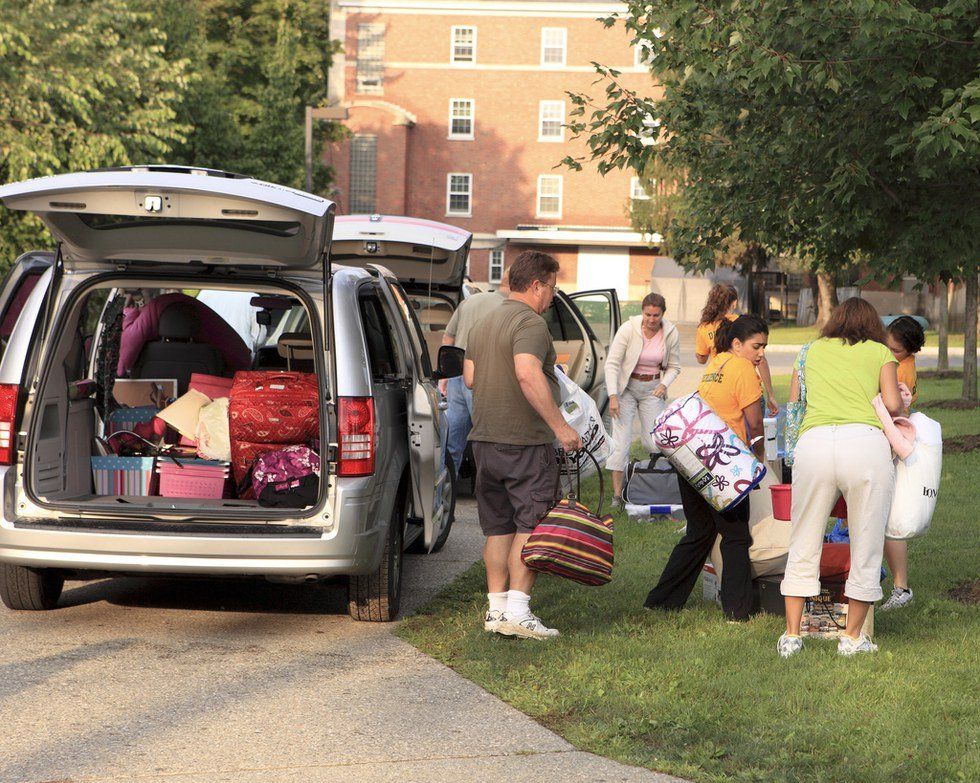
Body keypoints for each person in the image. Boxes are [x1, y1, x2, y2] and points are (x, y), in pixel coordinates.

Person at [463, 250, 582, 640]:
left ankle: (495, 611)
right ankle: (518, 610)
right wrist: (560, 427)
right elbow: (527, 372)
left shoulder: (483, 320)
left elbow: (469, 379)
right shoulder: (530, 323)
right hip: (523, 442)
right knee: (531, 524)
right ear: (536, 285)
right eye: (552, 287)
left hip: (484, 438)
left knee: (498, 527)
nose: (552, 295)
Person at [778, 298, 902, 658]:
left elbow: (797, 399)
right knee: (866, 541)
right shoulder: (880, 352)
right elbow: (893, 405)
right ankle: (852, 638)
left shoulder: (810, 350)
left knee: (804, 537)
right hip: (864, 444)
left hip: (814, 443)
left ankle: (791, 635)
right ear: (872, 324)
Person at [644, 315, 769, 622]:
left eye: (765, 347)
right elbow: (754, 425)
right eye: (757, 346)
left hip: (689, 459)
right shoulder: (744, 369)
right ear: (738, 343)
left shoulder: (717, 363)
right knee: (736, 536)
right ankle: (738, 611)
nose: (761, 353)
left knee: (700, 532)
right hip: (721, 464)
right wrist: (758, 462)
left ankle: (661, 602)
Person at [604, 292, 681, 506]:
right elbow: (612, 364)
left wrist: (664, 384)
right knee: (621, 442)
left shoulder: (671, 333)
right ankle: (617, 496)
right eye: (648, 314)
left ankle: (658, 485)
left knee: (654, 441)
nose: (652, 319)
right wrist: (613, 395)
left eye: (656, 315)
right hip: (626, 388)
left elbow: (675, 366)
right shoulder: (628, 330)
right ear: (642, 312)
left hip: (652, 389)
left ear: (662, 314)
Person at [880, 315, 926, 612]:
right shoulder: (897, 363)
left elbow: (890, 404)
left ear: (909, 351)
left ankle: (900, 587)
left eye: (895, 350)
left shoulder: (902, 370)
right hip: (893, 441)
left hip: (892, 443)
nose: (889, 352)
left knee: (888, 521)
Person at [440, 285, 507, 476]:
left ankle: (443, 495)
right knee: (488, 441)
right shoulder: (508, 307)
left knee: (452, 442)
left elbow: (448, 339)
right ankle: (491, 493)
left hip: (457, 374)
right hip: (484, 376)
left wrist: (445, 374)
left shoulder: (468, 301)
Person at [118, 291, 251, 376]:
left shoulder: (152, 312)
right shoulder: (211, 347)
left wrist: (129, 314)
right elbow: (241, 362)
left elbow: (123, 364)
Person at [696, 284, 779, 415]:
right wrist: (771, 395)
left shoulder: (704, 327)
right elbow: (761, 360)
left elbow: (701, 358)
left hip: (721, 392)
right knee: (753, 433)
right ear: (734, 303)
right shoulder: (740, 323)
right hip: (748, 391)